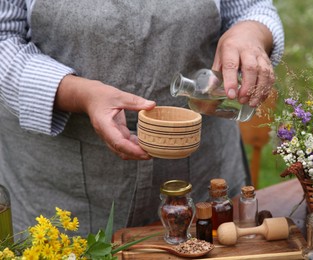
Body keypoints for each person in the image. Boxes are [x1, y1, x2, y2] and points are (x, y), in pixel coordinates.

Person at [0, 0, 284, 236]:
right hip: (61, 184)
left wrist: (249, 33)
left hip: (200, 173)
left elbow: (252, 8)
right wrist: (78, 94)